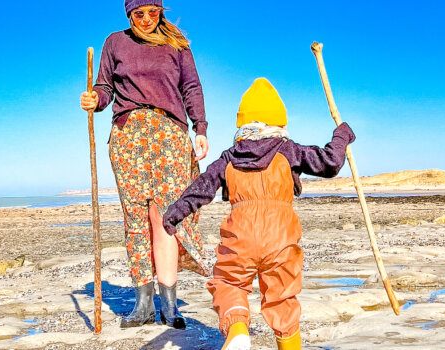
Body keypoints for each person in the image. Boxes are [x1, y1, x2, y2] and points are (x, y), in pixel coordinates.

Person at [163, 78, 355, 350]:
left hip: (240, 235)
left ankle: (238, 330)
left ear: (242, 123)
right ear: (279, 123)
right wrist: (342, 135)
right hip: (281, 238)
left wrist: (175, 213)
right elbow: (330, 162)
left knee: (229, 284)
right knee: (282, 299)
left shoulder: (229, 157)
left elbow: (202, 187)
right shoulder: (288, 150)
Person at [79, 0, 210, 330]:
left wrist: (201, 128)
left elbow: (191, 87)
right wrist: (95, 100)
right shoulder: (115, 42)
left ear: (161, 11)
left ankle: (169, 305)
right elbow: (105, 87)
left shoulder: (176, 45)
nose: (147, 19)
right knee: (135, 217)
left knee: (166, 216)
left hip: (170, 135)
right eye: (140, 14)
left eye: (153, 12)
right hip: (128, 137)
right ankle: (142, 305)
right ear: (129, 14)